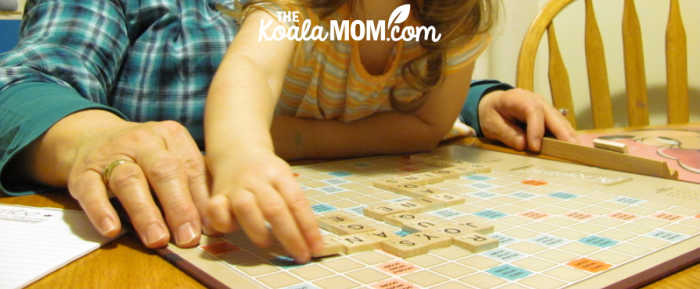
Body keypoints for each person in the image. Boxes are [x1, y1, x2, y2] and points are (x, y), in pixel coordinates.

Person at [0, 0, 576, 264]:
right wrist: (91, 137)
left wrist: (479, 101)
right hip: (154, 245)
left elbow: (361, 91)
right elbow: (25, 82)